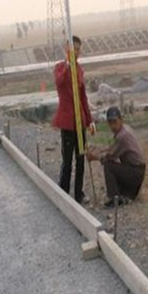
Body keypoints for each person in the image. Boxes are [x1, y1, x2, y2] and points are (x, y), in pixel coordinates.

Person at [52, 35, 96, 204]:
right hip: (67, 122)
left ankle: (79, 194)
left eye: (78, 49)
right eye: (73, 49)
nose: (76, 52)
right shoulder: (60, 68)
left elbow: (83, 96)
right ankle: (63, 194)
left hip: (80, 122)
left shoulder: (79, 70)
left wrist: (89, 119)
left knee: (80, 158)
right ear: (67, 49)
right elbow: (59, 81)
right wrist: (68, 65)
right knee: (67, 160)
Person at [87, 106, 146, 208]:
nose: (113, 126)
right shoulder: (125, 129)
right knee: (114, 165)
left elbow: (110, 156)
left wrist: (94, 156)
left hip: (135, 173)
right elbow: (112, 148)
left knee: (108, 165)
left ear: (121, 120)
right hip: (137, 171)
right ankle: (124, 195)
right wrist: (99, 150)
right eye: (110, 123)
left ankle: (114, 198)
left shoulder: (122, 136)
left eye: (115, 122)